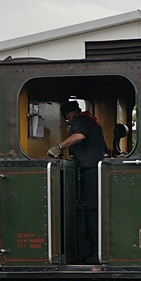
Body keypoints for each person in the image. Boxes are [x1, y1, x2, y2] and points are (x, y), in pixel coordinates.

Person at [48, 99, 107, 262]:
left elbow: (79, 135)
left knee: (92, 211)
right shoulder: (90, 119)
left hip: (91, 173)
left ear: (68, 116)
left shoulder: (79, 120)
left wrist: (59, 147)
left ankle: (97, 251)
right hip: (95, 171)